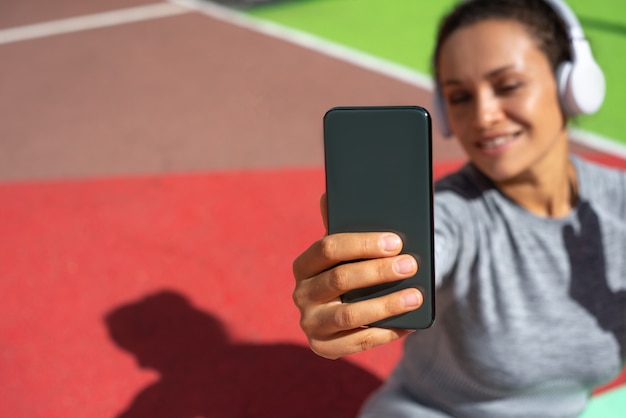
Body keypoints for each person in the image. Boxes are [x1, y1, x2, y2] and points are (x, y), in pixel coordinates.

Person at [291, 0, 626, 416]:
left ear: (571, 86)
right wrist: (350, 292)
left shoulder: (619, 204)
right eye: (460, 96)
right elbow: (431, 244)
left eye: (508, 85)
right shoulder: (452, 213)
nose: (483, 115)